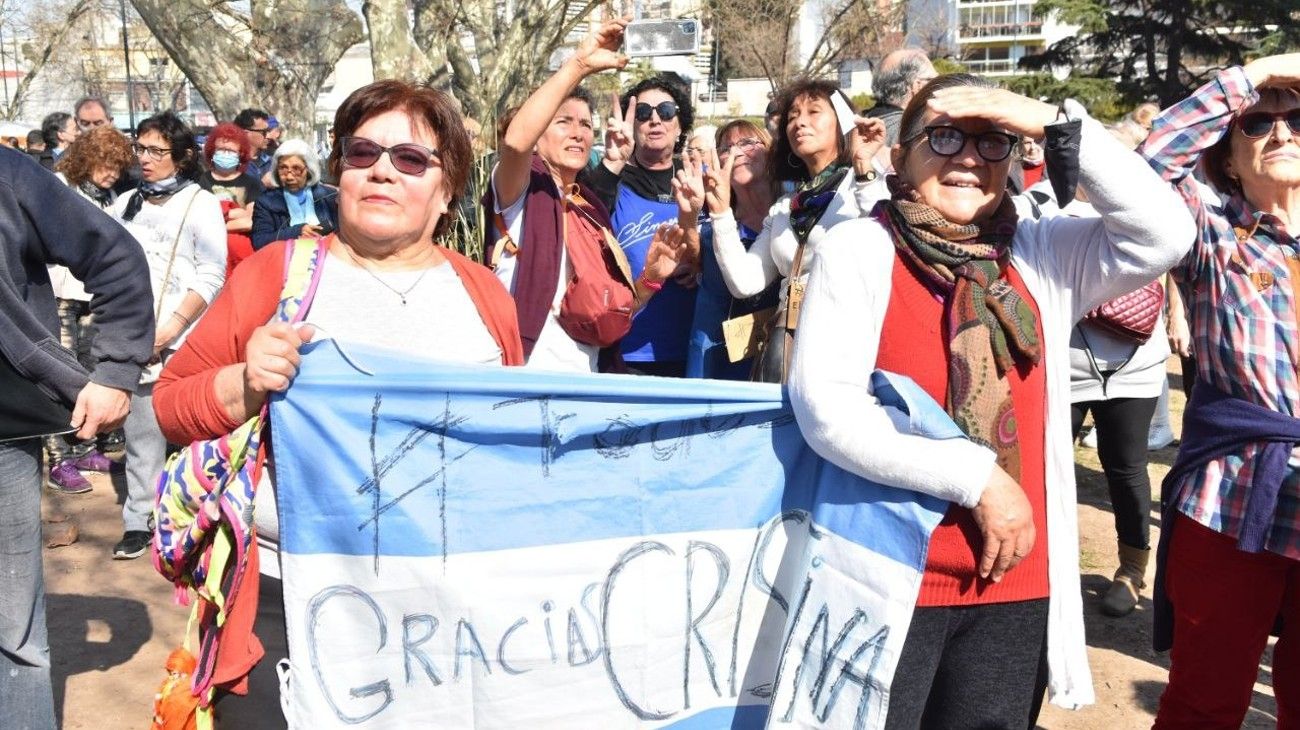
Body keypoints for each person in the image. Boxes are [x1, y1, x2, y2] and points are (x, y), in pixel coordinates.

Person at [788, 73, 1194, 726]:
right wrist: (977, 478)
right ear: (900, 155)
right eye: (944, 137)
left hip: (1016, 587)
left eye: (992, 142)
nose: (969, 157)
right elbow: (827, 410)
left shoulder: (1041, 253)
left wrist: (1044, 118)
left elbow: (1165, 233)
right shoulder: (859, 250)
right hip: (894, 581)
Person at [153, 79, 523, 729]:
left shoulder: (485, 297)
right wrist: (243, 382)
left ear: (446, 189)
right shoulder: (277, 273)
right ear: (340, 175)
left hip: (441, 612)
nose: (382, 170)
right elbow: (171, 404)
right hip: (286, 603)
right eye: (362, 154)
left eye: (410, 159)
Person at [1140, 52, 1300, 727]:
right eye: (1258, 125)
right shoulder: (1213, 232)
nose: (1282, 133)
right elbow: (1150, 164)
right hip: (1235, 494)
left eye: (1296, 119)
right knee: (1204, 700)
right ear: (1230, 160)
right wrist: (1258, 70)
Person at [0, 145, 154, 730]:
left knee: (12, 638)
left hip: (2, 441)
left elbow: (114, 256)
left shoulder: (9, 174)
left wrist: (115, 372)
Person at [487, 18, 689, 373]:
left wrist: (651, 279)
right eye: (563, 122)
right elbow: (516, 141)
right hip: (522, 374)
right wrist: (578, 65)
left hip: (589, 378)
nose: (578, 133)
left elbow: (610, 308)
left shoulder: (588, 208)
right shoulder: (523, 189)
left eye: (585, 124)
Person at [703, 78, 887, 382]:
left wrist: (865, 165)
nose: (800, 122)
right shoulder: (786, 206)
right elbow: (745, 282)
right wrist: (722, 213)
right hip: (794, 352)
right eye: (792, 116)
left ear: (842, 122)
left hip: (851, 352)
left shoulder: (865, 183)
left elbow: (888, 237)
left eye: (814, 111)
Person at [108, 111, 226, 560]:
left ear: (181, 157)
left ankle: (198, 521)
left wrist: (171, 329)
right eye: (140, 148)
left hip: (184, 339)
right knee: (142, 436)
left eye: (156, 151)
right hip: (134, 337)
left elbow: (212, 273)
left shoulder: (201, 203)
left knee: (192, 432)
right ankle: (139, 519)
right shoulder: (125, 204)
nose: (145, 159)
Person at [41, 126, 138, 493]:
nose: (111, 172)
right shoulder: (57, 185)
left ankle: (83, 448)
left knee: (89, 375)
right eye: (105, 163)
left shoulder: (110, 196)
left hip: (93, 297)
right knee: (56, 377)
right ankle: (59, 460)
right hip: (58, 295)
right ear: (86, 158)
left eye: (117, 165)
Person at [583, 74, 700, 377]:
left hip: (693, 350)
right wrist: (612, 163)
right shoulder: (614, 179)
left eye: (666, 111)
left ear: (680, 124)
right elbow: (584, 217)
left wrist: (700, 263)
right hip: (627, 351)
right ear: (632, 125)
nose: (655, 120)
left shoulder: (697, 179)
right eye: (644, 113)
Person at [686, 119, 779, 379]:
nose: (736, 153)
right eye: (725, 148)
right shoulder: (711, 228)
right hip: (716, 359)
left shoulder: (790, 218)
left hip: (776, 356)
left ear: (770, 151)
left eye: (748, 142)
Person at [198, 122, 264, 277]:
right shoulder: (202, 180)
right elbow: (203, 219)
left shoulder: (251, 183)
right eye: (221, 150)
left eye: (231, 151)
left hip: (242, 256)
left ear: (240, 154)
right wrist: (238, 213)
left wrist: (219, 220)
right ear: (212, 152)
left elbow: (250, 222)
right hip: (211, 253)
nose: (225, 154)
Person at [250, 139, 337, 250]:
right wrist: (297, 231)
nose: (289, 177)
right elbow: (259, 242)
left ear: (309, 169)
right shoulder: (266, 202)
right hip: (284, 261)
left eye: (296, 169)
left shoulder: (328, 196)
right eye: (283, 168)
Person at [867, 48, 938, 146]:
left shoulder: (862, 127)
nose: (939, 86)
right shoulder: (917, 134)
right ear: (917, 86)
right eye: (934, 80)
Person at [235, 108, 274, 180]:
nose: (269, 136)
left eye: (269, 131)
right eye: (264, 132)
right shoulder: (230, 164)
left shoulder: (271, 161)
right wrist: (262, 185)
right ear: (246, 134)